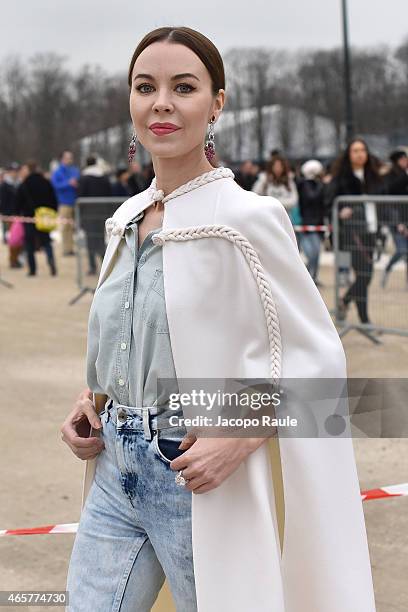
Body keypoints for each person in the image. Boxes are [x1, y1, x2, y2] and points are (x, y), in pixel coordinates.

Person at [61, 26, 376, 612]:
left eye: (183, 87)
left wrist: (244, 431)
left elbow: (319, 358)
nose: (161, 103)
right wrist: (92, 399)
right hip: (113, 471)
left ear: (217, 104)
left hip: (196, 471)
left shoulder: (248, 218)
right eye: (145, 87)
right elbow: (131, 337)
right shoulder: (126, 219)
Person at [326, 138, 385, 324]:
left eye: (363, 150)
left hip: (372, 230)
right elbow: (328, 203)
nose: (360, 153)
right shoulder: (341, 179)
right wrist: (340, 210)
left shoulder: (374, 178)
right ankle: (364, 318)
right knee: (364, 275)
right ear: (349, 155)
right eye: (355, 150)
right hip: (351, 233)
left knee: (365, 276)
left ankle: (346, 302)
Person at [14, 160, 58, 277]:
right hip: (44, 216)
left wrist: (17, 213)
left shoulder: (24, 184)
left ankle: (32, 269)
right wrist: (53, 211)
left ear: (28, 170)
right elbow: (53, 198)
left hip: (29, 217)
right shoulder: (46, 182)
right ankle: (51, 261)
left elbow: (18, 201)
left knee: (29, 244)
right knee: (46, 241)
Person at [77, 156, 112, 275]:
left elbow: (80, 195)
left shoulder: (84, 178)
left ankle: (93, 266)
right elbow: (109, 193)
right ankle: (104, 264)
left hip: (88, 212)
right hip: (102, 211)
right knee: (101, 238)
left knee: (90, 239)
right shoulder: (104, 177)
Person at [381, 149, 408, 287]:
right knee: (402, 250)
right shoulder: (390, 175)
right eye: (403, 159)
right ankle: (386, 269)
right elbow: (391, 191)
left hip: (405, 217)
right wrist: (398, 222)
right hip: (395, 219)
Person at [297, 159, 325, 285]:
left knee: (317, 253)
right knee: (312, 254)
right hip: (307, 224)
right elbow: (311, 197)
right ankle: (307, 277)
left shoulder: (314, 184)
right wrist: (321, 185)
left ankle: (313, 277)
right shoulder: (305, 185)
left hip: (317, 223)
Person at [51, 150, 80, 256]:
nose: (70, 160)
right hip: (64, 203)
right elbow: (55, 186)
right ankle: (66, 249)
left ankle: (71, 248)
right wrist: (68, 183)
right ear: (62, 159)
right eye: (67, 158)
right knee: (64, 227)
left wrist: (77, 184)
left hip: (75, 202)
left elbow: (79, 182)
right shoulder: (57, 172)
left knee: (72, 227)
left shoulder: (75, 170)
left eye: (71, 157)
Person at [0, 162, 23, 268]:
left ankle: (18, 258)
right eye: (13, 171)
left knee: (19, 238)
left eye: (16, 171)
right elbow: (2, 201)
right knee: (12, 239)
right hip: (8, 215)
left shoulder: (20, 184)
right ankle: (13, 260)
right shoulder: (4, 185)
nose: (15, 173)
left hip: (20, 215)